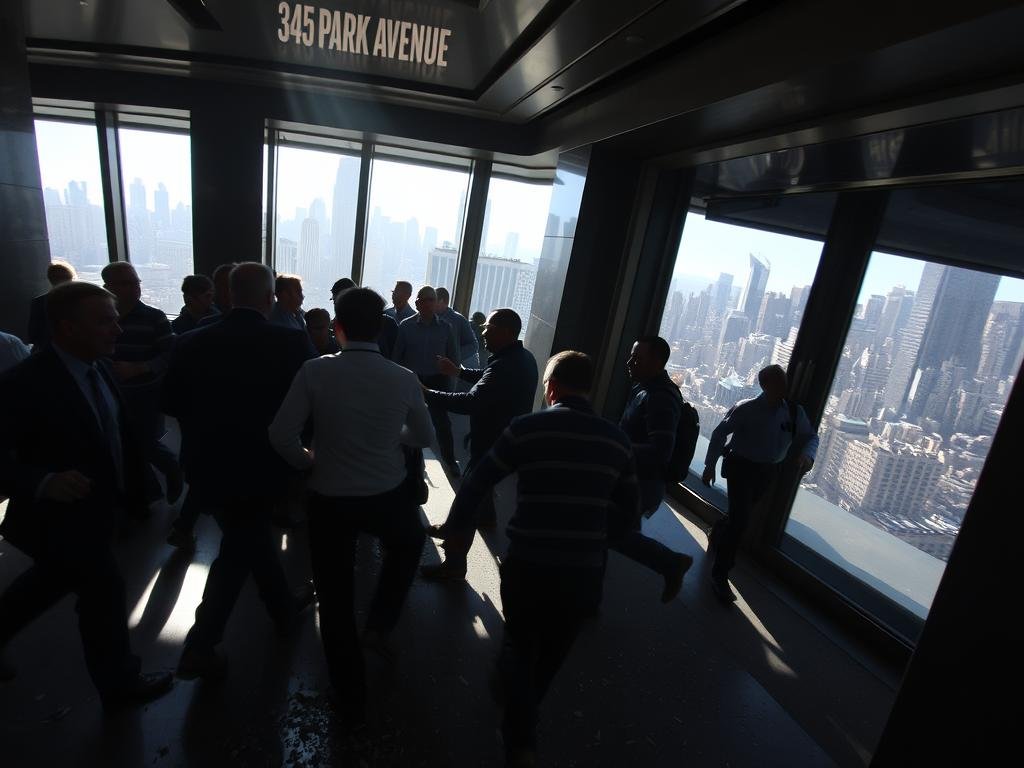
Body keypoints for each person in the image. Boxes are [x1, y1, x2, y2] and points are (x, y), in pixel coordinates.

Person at [429, 351, 637, 766]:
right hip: (582, 570)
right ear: (589, 387)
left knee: (521, 643)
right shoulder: (616, 440)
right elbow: (628, 515)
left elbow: (477, 482)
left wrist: (455, 528)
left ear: (552, 385)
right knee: (552, 653)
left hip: (529, 560)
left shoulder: (527, 429)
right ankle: (522, 707)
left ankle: (520, 738)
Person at [0, 281, 173, 707]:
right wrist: (42, 480)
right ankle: (119, 686)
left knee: (46, 584)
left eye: (115, 319)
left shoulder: (97, 368)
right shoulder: (25, 382)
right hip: (61, 518)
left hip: (96, 514)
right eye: (104, 321)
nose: (116, 330)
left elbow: (112, 437)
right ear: (66, 329)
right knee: (104, 595)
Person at [269, 287, 433, 723]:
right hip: (385, 494)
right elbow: (424, 437)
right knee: (409, 542)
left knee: (335, 598)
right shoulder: (402, 378)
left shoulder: (314, 371)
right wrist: (390, 439)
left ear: (336, 327)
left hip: (329, 499)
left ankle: (351, 694)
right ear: (381, 328)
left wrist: (309, 461)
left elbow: (280, 435)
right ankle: (379, 624)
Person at [164, 263, 317, 679]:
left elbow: (171, 403)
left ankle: (284, 611)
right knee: (239, 548)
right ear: (269, 298)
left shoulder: (189, 342)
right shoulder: (290, 340)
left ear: (227, 295)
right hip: (265, 466)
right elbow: (308, 406)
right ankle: (200, 644)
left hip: (207, 464)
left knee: (245, 536)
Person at [420, 308, 538, 581]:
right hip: (503, 439)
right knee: (480, 489)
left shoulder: (505, 365)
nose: (482, 332)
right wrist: (459, 371)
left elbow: (471, 402)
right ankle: (485, 517)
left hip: (492, 443)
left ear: (507, 332)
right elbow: (487, 379)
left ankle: (454, 564)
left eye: (490, 328)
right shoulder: (520, 358)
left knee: (467, 498)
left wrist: (428, 394)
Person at [702, 364, 819, 603]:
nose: (784, 387)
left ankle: (719, 531)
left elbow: (811, 437)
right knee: (741, 518)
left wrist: (808, 455)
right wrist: (710, 464)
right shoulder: (747, 409)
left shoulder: (794, 413)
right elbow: (719, 433)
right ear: (765, 385)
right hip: (741, 467)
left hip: (768, 471)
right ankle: (720, 574)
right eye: (778, 382)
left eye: (784, 382)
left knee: (739, 515)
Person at [616, 337, 693, 602]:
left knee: (609, 532)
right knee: (614, 531)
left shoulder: (659, 397)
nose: (629, 362)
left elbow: (660, 451)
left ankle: (671, 563)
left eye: (637, 358)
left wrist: (617, 446)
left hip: (641, 483)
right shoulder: (647, 388)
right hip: (636, 480)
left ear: (657, 362)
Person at [101, 262, 181, 507]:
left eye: (135, 281)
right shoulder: (102, 318)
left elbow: (170, 356)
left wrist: (139, 368)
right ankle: (144, 496)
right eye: (125, 283)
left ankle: (173, 472)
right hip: (111, 392)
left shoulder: (154, 317)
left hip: (144, 393)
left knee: (145, 442)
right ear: (108, 287)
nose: (134, 287)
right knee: (125, 443)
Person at [391, 286, 459, 470]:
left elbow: (454, 360)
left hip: (438, 381)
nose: (428, 303)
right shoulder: (405, 326)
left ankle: (450, 461)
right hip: (413, 380)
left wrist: (450, 376)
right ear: (417, 303)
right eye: (425, 300)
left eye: (432, 299)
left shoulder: (447, 328)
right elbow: (396, 358)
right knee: (406, 420)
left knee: (442, 423)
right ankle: (402, 461)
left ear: (437, 303)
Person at [27, 260, 76, 350]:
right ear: (71, 278)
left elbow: (33, 334)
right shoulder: (81, 300)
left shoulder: (39, 302)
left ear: (50, 279)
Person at [435, 287, 479, 367]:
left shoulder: (458, 320)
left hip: (449, 369)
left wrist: (454, 357)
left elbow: (473, 345)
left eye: (432, 300)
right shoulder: (429, 318)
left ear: (441, 301)